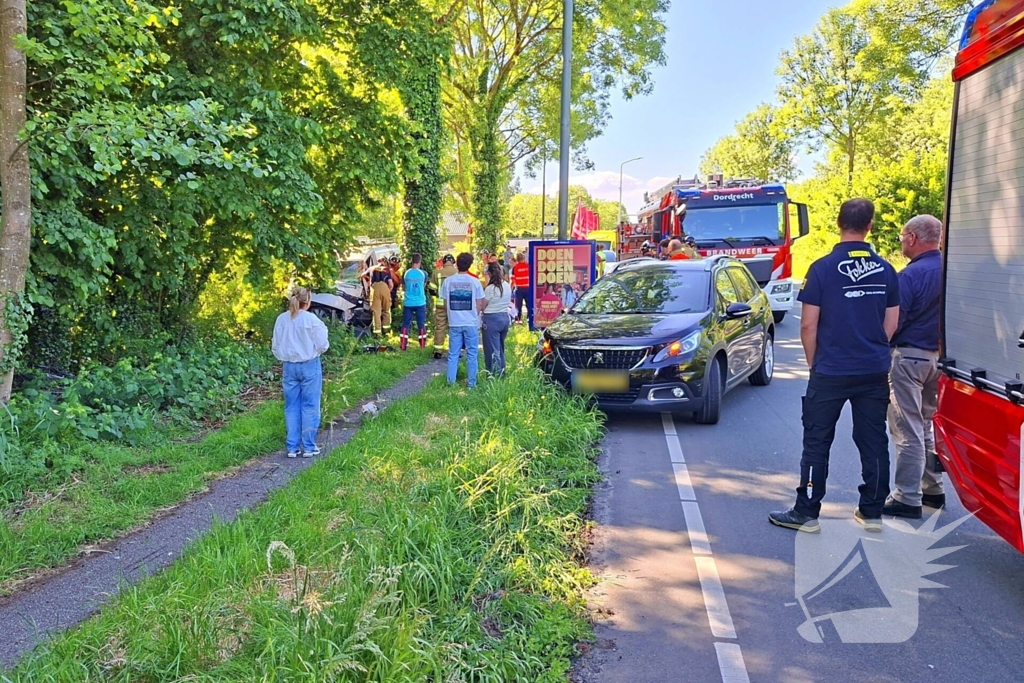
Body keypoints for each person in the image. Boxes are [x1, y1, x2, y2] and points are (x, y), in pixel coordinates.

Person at [769, 198, 900, 534]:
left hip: (830, 369)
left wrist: (815, 363)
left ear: (839, 223)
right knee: (873, 440)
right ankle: (871, 511)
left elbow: (808, 325)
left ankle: (807, 512)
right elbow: (891, 322)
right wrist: (872, 347)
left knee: (817, 441)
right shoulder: (886, 269)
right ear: (869, 225)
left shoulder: (822, 268)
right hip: (872, 370)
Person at [883, 215, 945, 518]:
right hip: (940, 359)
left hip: (909, 358)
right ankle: (933, 489)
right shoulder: (952, 268)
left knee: (906, 427)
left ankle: (907, 496)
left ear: (912, 238)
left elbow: (896, 320)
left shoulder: (909, 276)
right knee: (926, 424)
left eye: (901, 236)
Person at [272, 287, 330, 459]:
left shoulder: (282, 319)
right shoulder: (311, 319)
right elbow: (322, 344)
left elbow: (275, 345)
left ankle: (292, 447)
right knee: (310, 405)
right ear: (308, 302)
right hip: (309, 365)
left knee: (291, 406)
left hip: (289, 366)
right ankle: (309, 446)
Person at [440, 252, 486, 387]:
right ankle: (472, 384)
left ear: (456, 264)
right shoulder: (475, 282)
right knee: (472, 355)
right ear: (470, 265)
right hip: (471, 323)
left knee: (453, 354)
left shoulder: (448, 281)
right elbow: (480, 304)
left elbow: (444, 302)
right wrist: (473, 315)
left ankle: (451, 383)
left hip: (454, 322)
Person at [481, 262, 512, 376]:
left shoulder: (490, 288)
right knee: (500, 348)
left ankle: (494, 375)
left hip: (491, 320)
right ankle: (502, 372)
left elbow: (483, 306)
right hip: (504, 318)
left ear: (489, 273)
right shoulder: (507, 285)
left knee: (492, 351)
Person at [431, 254, 458, 359]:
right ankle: (455, 350)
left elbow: (431, 289)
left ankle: (438, 350)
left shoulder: (437, 273)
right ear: (453, 262)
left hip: (440, 304)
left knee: (440, 327)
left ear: (443, 262)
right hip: (454, 305)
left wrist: (438, 294)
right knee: (455, 328)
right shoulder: (457, 273)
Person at [400, 253, 428, 351]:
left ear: (412, 261)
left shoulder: (406, 273)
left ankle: (403, 345)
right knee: (421, 323)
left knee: (406, 323)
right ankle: (423, 345)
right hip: (420, 302)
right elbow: (423, 286)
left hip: (408, 302)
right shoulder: (423, 274)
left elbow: (403, 288)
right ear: (420, 262)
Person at [366, 257, 394, 336]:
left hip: (374, 289)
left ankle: (377, 333)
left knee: (376, 312)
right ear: (385, 262)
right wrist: (388, 292)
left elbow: (362, 275)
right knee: (386, 310)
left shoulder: (371, 268)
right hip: (385, 288)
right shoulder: (386, 270)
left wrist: (367, 278)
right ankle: (386, 331)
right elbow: (391, 284)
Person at [511, 252, 531, 324]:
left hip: (519, 289)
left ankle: (518, 321)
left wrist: (511, 289)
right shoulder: (528, 266)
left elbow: (513, 280)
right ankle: (529, 319)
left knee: (518, 306)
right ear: (524, 258)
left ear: (517, 259)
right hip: (528, 288)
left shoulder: (515, 268)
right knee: (529, 305)